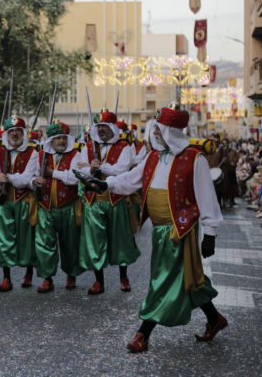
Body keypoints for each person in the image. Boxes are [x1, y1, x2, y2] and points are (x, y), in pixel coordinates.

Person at [89, 106, 227, 353]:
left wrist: (210, 234)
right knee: (189, 278)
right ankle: (215, 319)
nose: (155, 132)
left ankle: (143, 332)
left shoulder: (195, 159)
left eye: (159, 129)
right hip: (160, 230)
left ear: (171, 131)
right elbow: (131, 180)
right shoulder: (153, 157)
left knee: (162, 280)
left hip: (179, 230)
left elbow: (207, 197)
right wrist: (105, 184)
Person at [77, 109, 139, 295]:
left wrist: (99, 166)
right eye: (99, 126)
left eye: (105, 126)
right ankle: (99, 281)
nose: (102, 129)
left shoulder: (124, 147)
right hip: (94, 201)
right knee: (95, 242)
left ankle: (123, 276)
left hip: (115, 199)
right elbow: (79, 171)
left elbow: (122, 169)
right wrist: (91, 168)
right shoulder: (88, 147)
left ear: (113, 127)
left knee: (120, 239)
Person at [32, 122, 82, 292]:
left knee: (70, 243)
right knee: (44, 244)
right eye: (57, 138)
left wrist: (52, 173)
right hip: (45, 207)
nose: (61, 141)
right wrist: (34, 180)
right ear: (51, 140)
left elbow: (74, 178)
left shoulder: (76, 155)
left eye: (63, 138)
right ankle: (47, 278)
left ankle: (71, 275)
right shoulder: (39, 155)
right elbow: (30, 175)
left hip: (67, 207)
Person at [0, 115, 39, 292]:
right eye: (11, 131)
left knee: (27, 239)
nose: (14, 133)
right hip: (5, 201)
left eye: (17, 130)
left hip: (24, 201)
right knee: (5, 240)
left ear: (23, 132)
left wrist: (8, 178)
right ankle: (6, 277)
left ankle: (29, 273)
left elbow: (25, 180)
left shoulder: (33, 153)